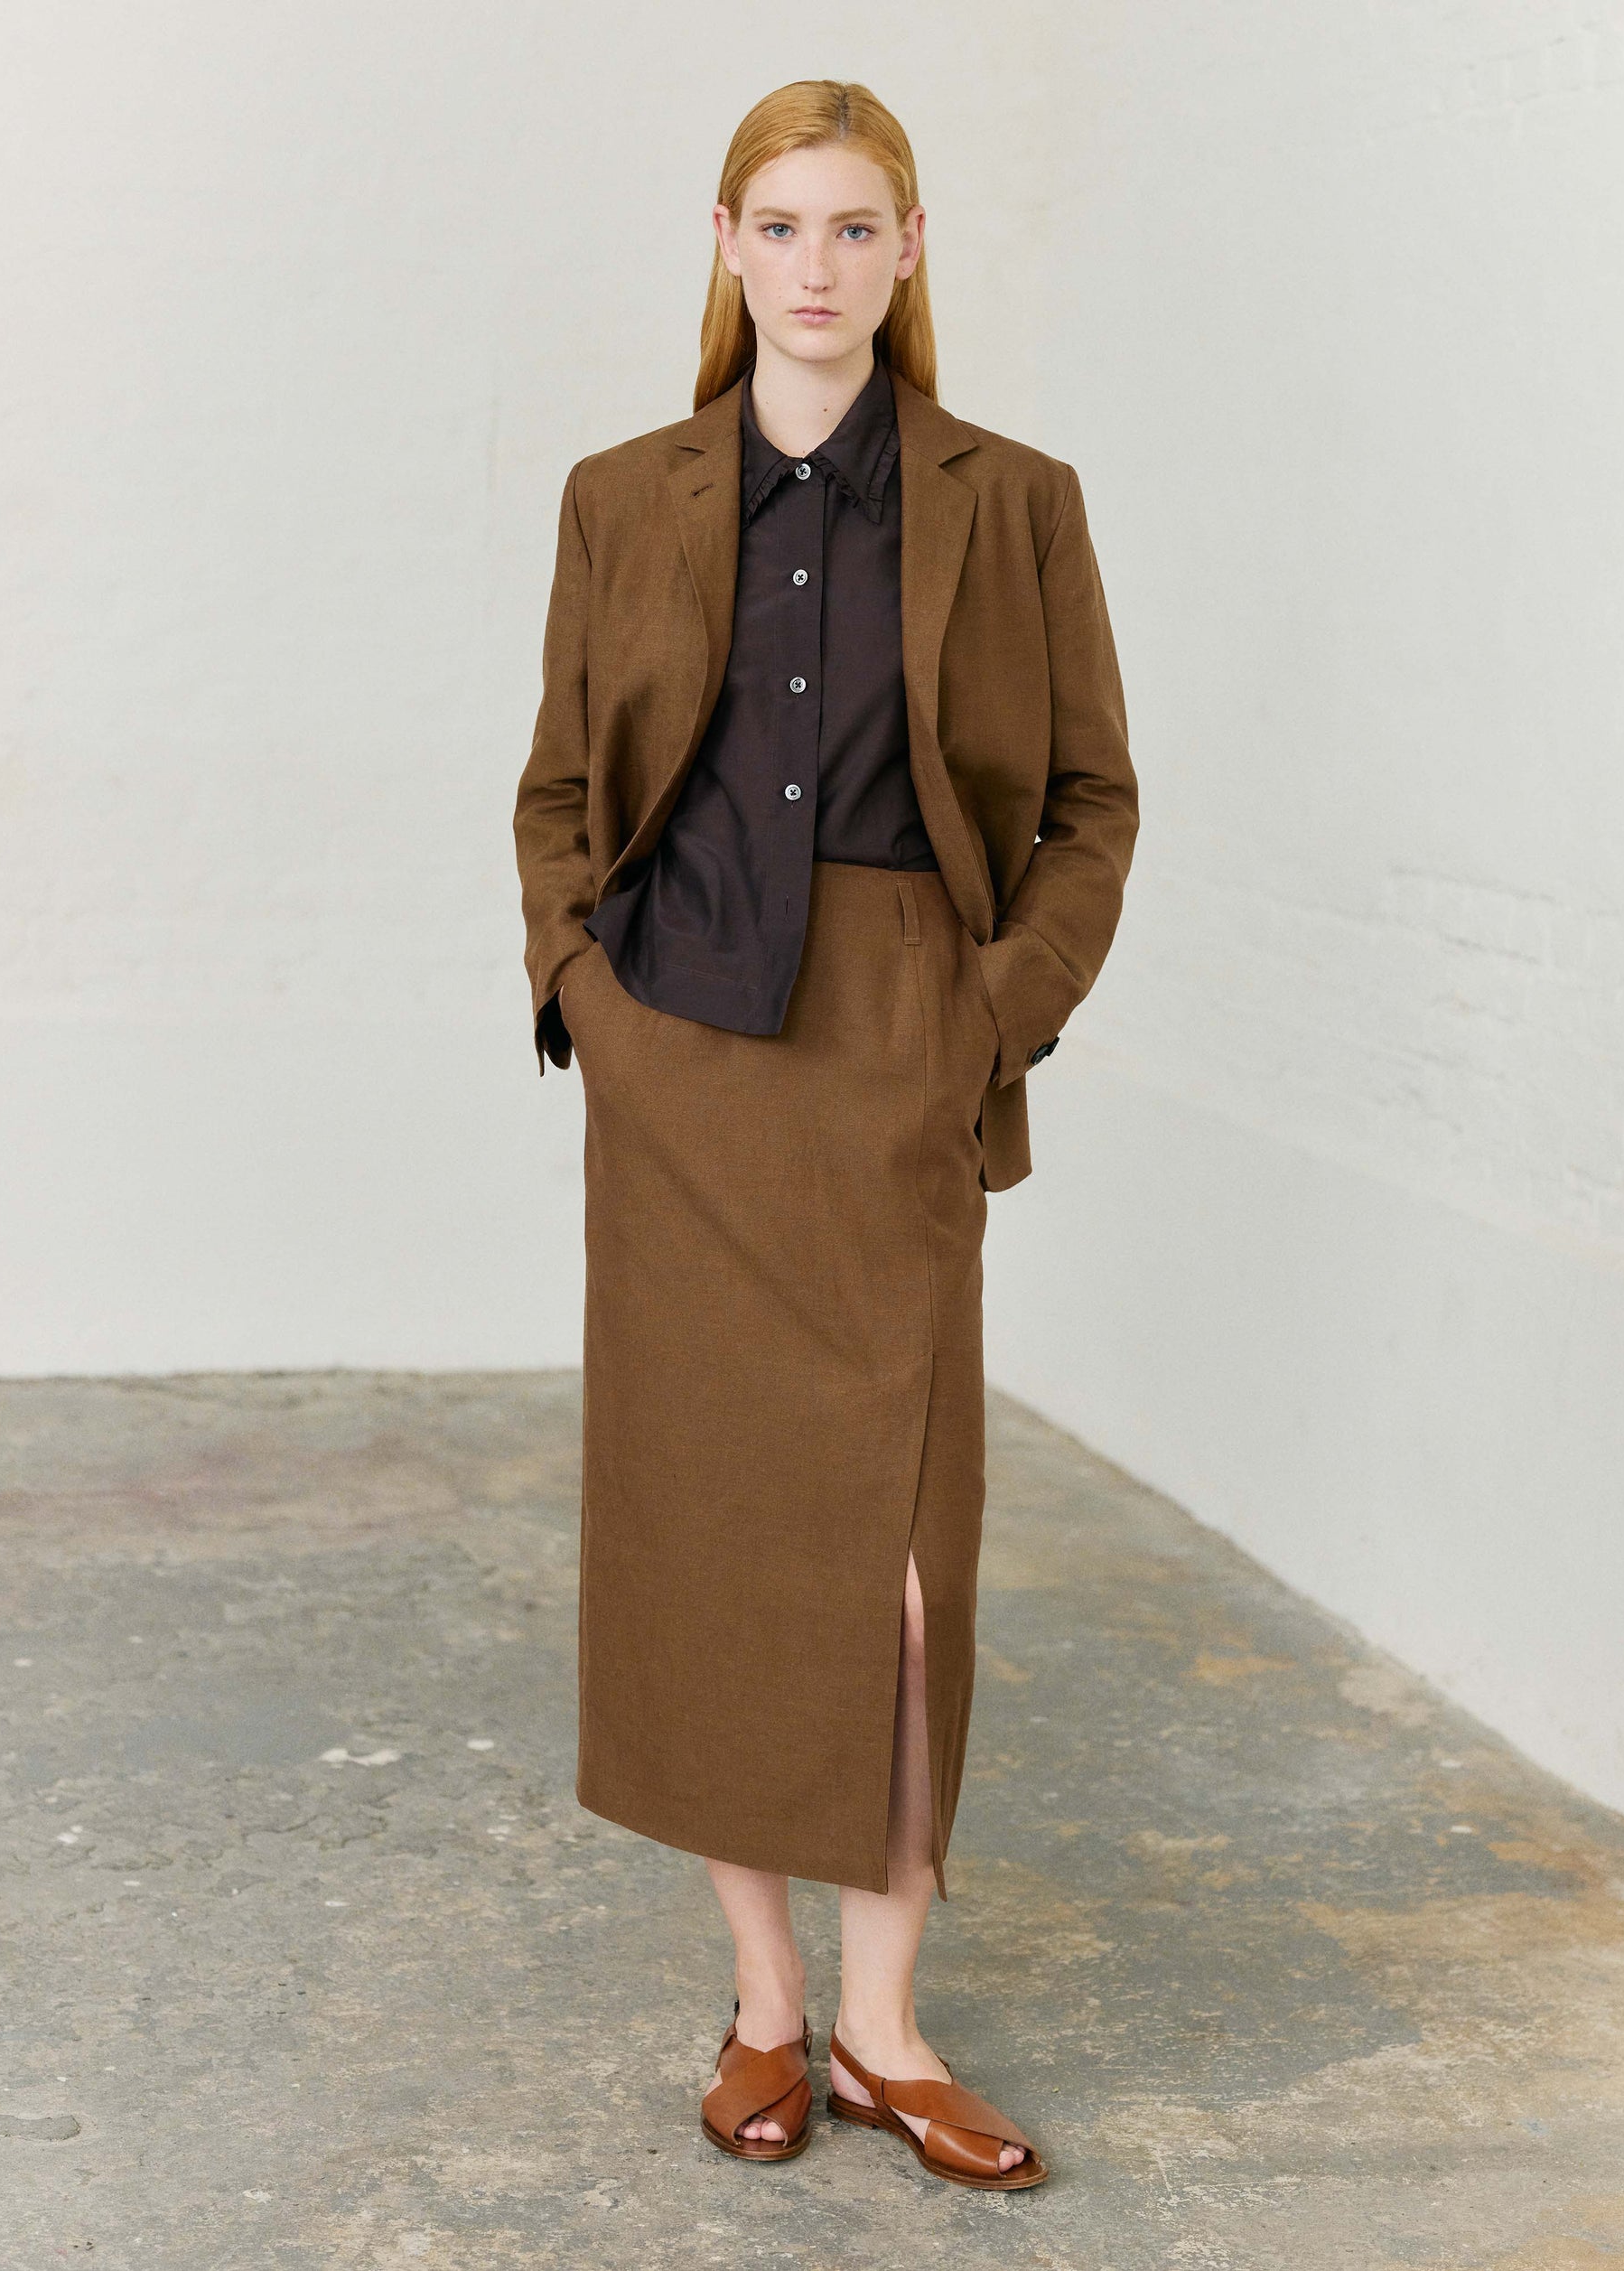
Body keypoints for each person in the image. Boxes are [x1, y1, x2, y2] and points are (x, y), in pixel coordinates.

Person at [513, 78, 1136, 2192]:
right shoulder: (624, 495)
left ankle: (886, 2026)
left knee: (889, 1570)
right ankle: (771, 2013)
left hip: (896, 1049)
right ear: (723, 242)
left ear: (908, 250)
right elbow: (554, 798)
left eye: (852, 226)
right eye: (777, 224)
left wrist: (988, 1015)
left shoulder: (1012, 499)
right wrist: (586, 1002)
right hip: (681, 1061)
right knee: (708, 1548)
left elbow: (1087, 806)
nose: (812, 264)